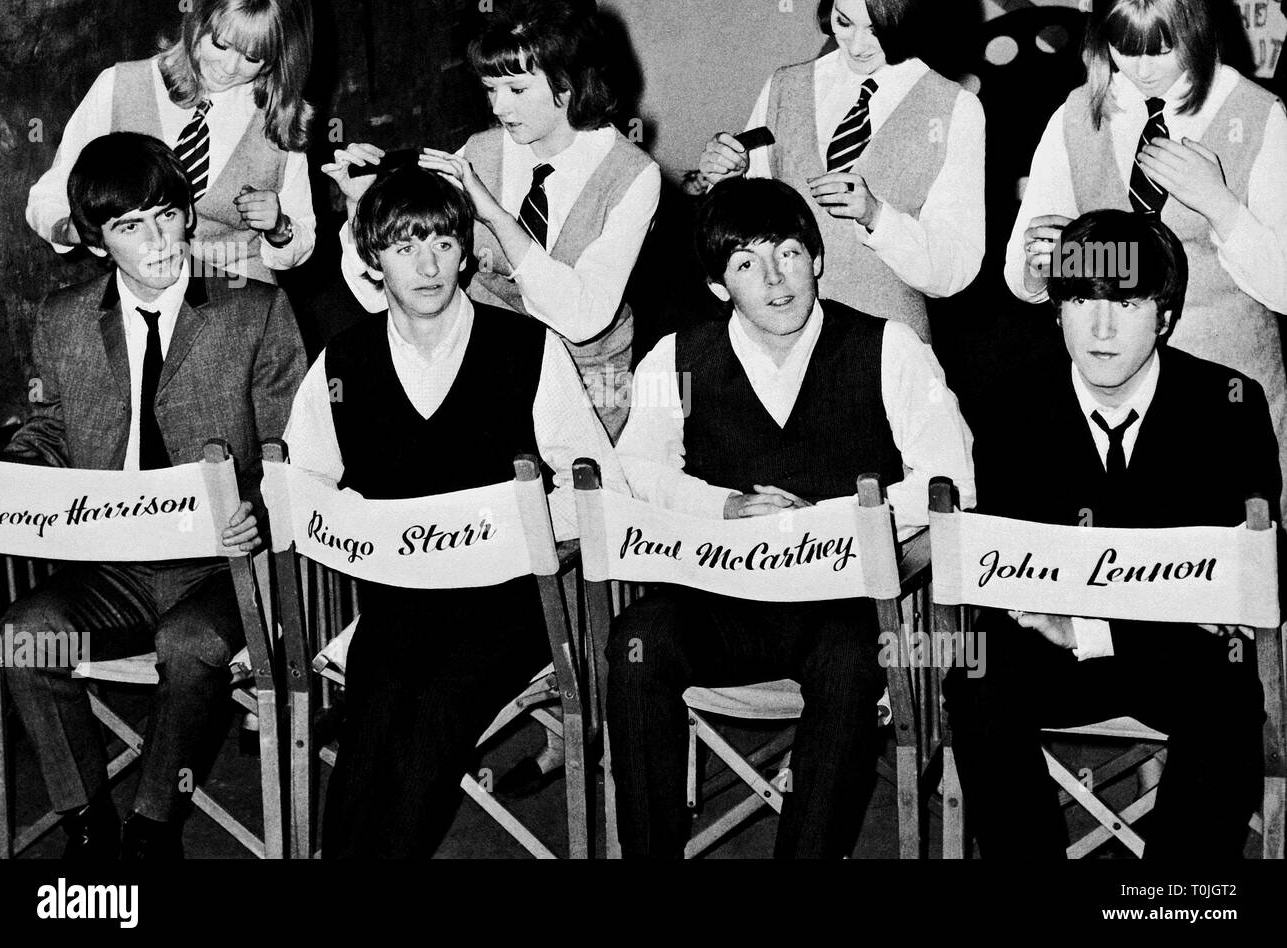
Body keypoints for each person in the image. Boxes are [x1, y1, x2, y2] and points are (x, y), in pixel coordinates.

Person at [608, 177, 974, 857]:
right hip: (722, 594)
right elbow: (636, 470)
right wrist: (724, 506)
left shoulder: (888, 346)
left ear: (817, 257)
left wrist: (837, 518)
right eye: (747, 264)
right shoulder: (675, 356)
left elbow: (952, 482)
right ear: (719, 286)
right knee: (637, 643)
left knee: (849, 660)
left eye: (788, 254)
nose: (777, 280)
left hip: (836, 600)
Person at [282, 165, 624, 858]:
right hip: (398, 601)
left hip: (510, 603)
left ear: (466, 252)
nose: (428, 264)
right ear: (372, 260)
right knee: (372, 715)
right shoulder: (342, 362)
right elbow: (301, 489)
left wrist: (528, 531)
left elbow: (598, 489)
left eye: (442, 243)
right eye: (405, 247)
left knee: (438, 709)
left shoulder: (528, 347)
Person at [0, 132, 306, 859]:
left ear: (189, 216)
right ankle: (86, 823)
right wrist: (8, 484)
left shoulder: (253, 309)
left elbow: (292, 451)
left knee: (190, 643)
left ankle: (153, 824)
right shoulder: (63, 318)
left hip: (225, 568)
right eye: (130, 226)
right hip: (116, 568)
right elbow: (48, 434)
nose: (157, 239)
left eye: (167, 214)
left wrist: (256, 513)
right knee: (25, 635)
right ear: (99, 243)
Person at [952, 209, 1277, 859]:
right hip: (1051, 649)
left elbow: (1255, 572)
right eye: (1080, 300)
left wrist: (1096, 626)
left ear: (1164, 314)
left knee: (1229, 692)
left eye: (1126, 303)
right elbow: (1012, 569)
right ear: (1057, 310)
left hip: (1177, 658)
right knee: (974, 672)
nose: (1099, 329)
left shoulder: (1227, 404)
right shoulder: (1010, 403)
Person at [1005, 0, 1287, 513]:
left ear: (1197, 27)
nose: (1143, 68)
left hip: (1228, 400)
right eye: (1124, 47)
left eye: (1162, 49)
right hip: (1114, 405)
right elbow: (1021, 276)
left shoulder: (1259, 115)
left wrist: (1221, 205)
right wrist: (1041, 262)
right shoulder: (1076, 116)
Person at [326, 0, 659, 441]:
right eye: (490, 89)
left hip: (587, 389)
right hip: (487, 372)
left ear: (568, 82)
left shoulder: (634, 176)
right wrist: (362, 208)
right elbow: (383, 296)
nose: (499, 109)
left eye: (517, 90)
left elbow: (583, 317)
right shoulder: (478, 152)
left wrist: (495, 215)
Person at [697, 0, 984, 342]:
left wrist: (876, 217)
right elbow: (741, 227)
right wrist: (726, 177)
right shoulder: (785, 86)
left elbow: (954, 271)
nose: (857, 44)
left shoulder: (956, 109)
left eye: (878, 29)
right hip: (782, 344)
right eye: (843, 21)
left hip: (889, 349)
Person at [26, 0, 317, 282]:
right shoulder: (120, 86)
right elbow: (47, 198)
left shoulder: (280, 119)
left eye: (253, 58)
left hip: (240, 297)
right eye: (220, 44)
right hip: (141, 291)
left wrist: (280, 227)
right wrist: (71, 230)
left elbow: (302, 241)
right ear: (197, 20)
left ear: (277, 57)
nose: (229, 66)